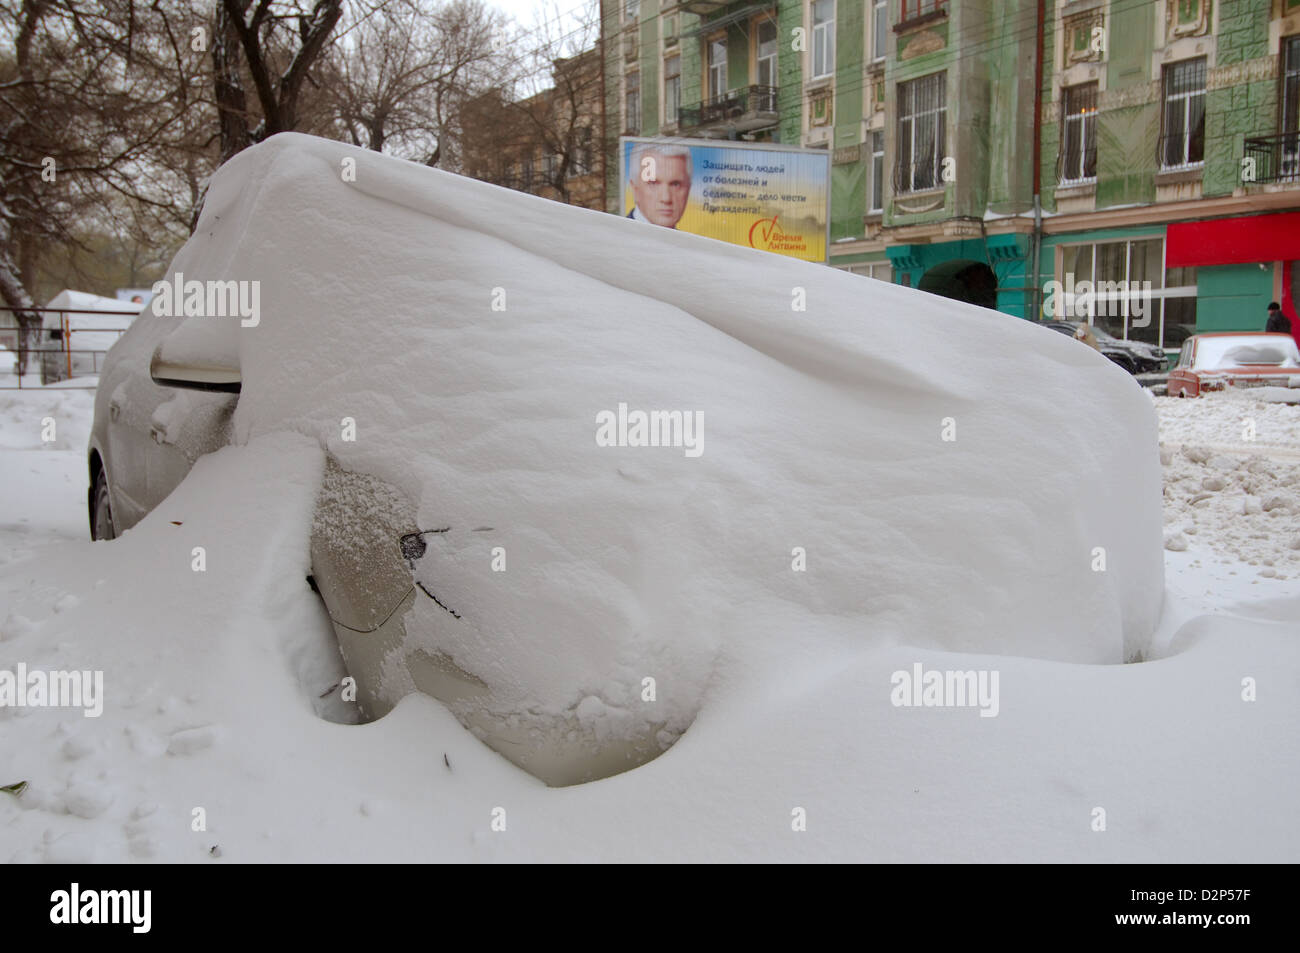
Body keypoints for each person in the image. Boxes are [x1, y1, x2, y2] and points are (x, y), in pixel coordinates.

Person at [627, 143, 692, 229]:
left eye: (675, 184)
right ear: (634, 188)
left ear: (688, 189)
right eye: (653, 183)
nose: (666, 198)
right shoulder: (616, 238)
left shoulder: (687, 242)